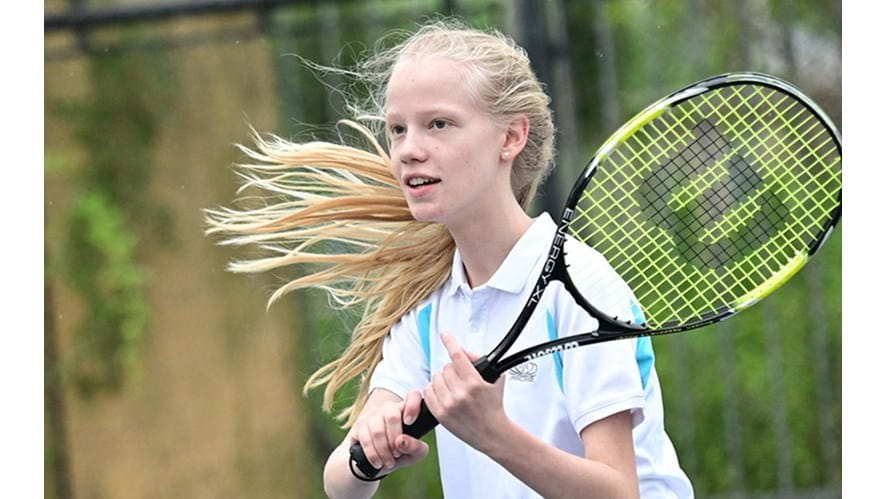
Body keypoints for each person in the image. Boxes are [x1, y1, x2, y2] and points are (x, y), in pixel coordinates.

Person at [206, 18, 692, 499]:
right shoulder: (428, 306)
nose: (409, 150)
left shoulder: (581, 287)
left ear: (510, 137)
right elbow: (342, 485)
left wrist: (494, 433)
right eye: (398, 129)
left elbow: (619, 492)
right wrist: (368, 451)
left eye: (438, 124)